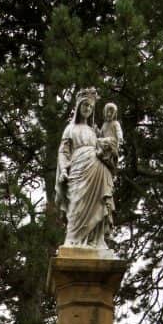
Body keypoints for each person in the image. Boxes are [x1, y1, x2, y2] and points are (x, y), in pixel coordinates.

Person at [55, 86, 116, 249]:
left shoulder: (94, 131)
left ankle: (94, 241)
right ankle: (73, 240)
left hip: (97, 170)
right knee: (77, 207)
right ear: (78, 107)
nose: (87, 109)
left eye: (90, 106)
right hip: (78, 170)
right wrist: (63, 170)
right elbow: (63, 151)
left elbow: (105, 148)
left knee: (99, 205)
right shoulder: (70, 129)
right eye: (85, 105)